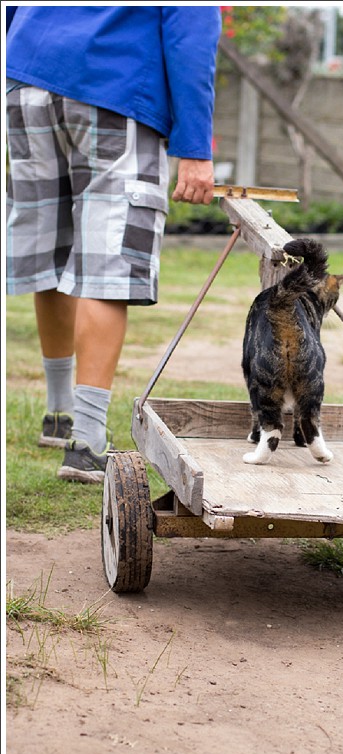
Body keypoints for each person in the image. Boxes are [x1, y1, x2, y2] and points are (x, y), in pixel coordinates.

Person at [6, 6, 222, 483]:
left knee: (53, 249)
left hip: (27, 76)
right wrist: (194, 149)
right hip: (114, 83)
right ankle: (85, 442)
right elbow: (190, 33)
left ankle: (59, 415)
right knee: (108, 266)